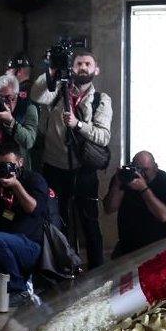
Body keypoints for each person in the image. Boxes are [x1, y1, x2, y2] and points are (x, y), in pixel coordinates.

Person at [31, 50, 112, 269]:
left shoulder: (101, 99)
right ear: (72, 67)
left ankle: (97, 272)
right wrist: (52, 70)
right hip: (54, 167)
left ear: (96, 70)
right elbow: (36, 95)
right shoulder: (57, 90)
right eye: (78, 63)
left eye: (88, 64)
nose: (83, 67)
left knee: (90, 223)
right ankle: (63, 268)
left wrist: (78, 124)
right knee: (58, 220)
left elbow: (104, 136)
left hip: (84, 169)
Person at [0, 142, 48, 307]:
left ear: (20, 162)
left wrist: (16, 185)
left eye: (9, 164)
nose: (5, 169)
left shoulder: (33, 179)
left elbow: (34, 209)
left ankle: (19, 289)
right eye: (1, 165)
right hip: (3, 246)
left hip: (30, 245)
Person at [103, 151, 166, 257]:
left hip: (158, 246)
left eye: (145, 170)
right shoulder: (126, 177)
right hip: (128, 246)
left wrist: (143, 189)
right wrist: (118, 184)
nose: (141, 174)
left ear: (156, 168)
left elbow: (163, 216)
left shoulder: (164, 179)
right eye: (137, 169)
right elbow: (109, 209)